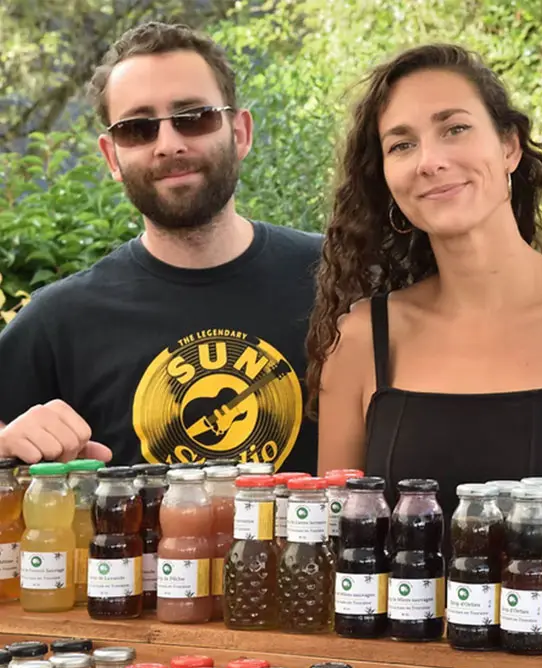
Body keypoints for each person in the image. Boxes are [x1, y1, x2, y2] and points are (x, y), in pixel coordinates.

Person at [307, 43, 542, 531]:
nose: (429, 161)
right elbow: (335, 548)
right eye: (401, 145)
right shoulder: (360, 339)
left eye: (454, 128)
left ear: (509, 147)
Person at [0, 22, 321, 472]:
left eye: (194, 117)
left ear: (240, 133)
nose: (169, 145)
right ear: (111, 156)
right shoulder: (60, 320)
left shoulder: (335, 277)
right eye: (138, 129)